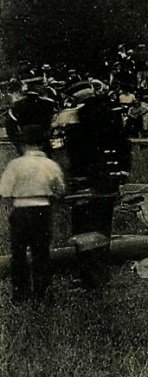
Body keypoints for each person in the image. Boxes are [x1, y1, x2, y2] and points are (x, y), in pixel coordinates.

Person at [0, 90, 64, 302]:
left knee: (18, 254)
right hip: (42, 209)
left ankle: (20, 294)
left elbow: (4, 190)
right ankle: (43, 293)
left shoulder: (15, 165)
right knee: (41, 253)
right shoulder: (50, 165)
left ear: (24, 143)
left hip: (21, 210)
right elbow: (60, 189)